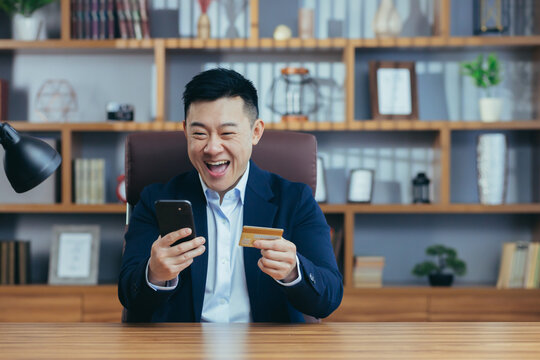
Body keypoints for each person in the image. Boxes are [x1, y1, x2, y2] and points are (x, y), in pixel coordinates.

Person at [118, 68, 343, 322]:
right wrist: (154, 274)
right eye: (199, 133)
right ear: (185, 131)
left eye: (227, 133)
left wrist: (294, 271)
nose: (213, 148)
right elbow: (129, 296)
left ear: (255, 132)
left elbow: (330, 297)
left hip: (265, 350)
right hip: (184, 348)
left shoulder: (294, 200)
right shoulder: (156, 199)